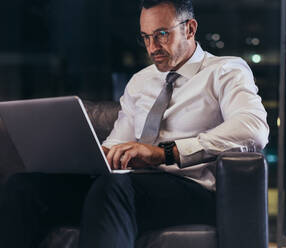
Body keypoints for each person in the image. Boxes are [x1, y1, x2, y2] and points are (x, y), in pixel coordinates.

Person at [0, 0, 269, 247]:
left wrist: (164, 152)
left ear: (190, 29)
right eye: (146, 37)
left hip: (193, 189)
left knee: (113, 189)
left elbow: (253, 128)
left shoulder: (225, 70)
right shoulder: (141, 81)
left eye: (162, 34)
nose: (152, 47)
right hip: (132, 186)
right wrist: (96, 156)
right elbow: (119, 140)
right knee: (25, 187)